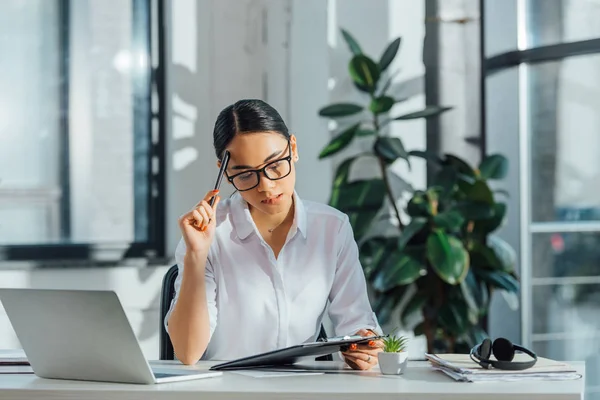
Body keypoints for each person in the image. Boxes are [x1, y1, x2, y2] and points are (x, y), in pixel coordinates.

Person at [165, 99, 383, 370]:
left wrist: (366, 345)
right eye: (245, 175)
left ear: (292, 148)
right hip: (225, 390)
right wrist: (196, 256)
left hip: (304, 388)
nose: (267, 187)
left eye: (275, 165)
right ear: (224, 171)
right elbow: (187, 353)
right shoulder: (209, 233)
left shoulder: (331, 228)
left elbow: (358, 324)